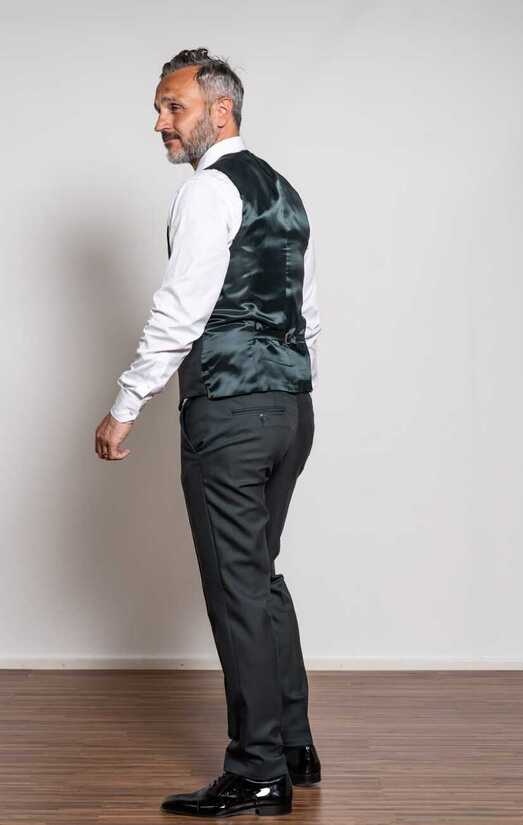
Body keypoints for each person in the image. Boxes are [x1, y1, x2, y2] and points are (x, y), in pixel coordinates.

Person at [94, 47, 322, 818]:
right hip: (291, 410)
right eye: (160, 108)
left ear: (219, 111)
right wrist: (289, 392)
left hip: (231, 413)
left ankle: (257, 770)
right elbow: (307, 314)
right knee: (261, 577)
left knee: (238, 589)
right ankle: (294, 746)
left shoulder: (206, 191)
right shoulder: (284, 192)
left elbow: (181, 310)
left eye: (174, 107)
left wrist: (126, 402)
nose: (161, 122)